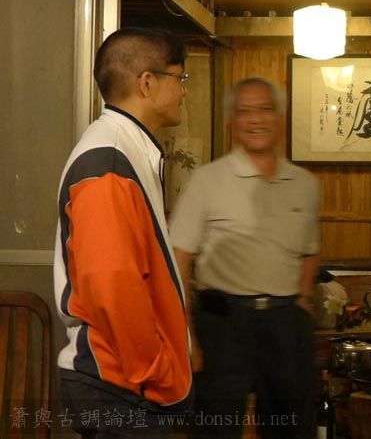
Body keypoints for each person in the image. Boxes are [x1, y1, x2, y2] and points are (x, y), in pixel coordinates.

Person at [53, 27, 193, 438]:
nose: (184, 91)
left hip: (123, 381)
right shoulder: (110, 161)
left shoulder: (124, 147)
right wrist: (155, 368)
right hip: (119, 383)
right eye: (179, 77)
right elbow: (111, 284)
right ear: (147, 83)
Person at [169, 77, 319, 439]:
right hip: (222, 324)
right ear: (231, 122)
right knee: (215, 428)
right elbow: (178, 260)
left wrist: (301, 302)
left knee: (292, 428)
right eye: (244, 111)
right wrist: (187, 336)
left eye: (265, 109)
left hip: (285, 324)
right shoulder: (207, 180)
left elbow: (310, 251)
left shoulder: (305, 183)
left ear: (279, 116)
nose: (256, 119)